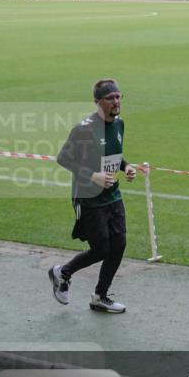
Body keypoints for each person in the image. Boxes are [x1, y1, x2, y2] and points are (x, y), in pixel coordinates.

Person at [48, 79, 136, 314]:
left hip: (112, 195)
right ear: (98, 101)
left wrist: (125, 167)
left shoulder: (119, 124)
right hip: (87, 197)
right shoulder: (84, 129)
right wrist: (93, 176)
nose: (116, 102)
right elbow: (63, 158)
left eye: (118, 97)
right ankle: (62, 273)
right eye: (110, 98)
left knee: (119, 244)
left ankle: (100, 296)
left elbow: (114, 153)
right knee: (100, 248)